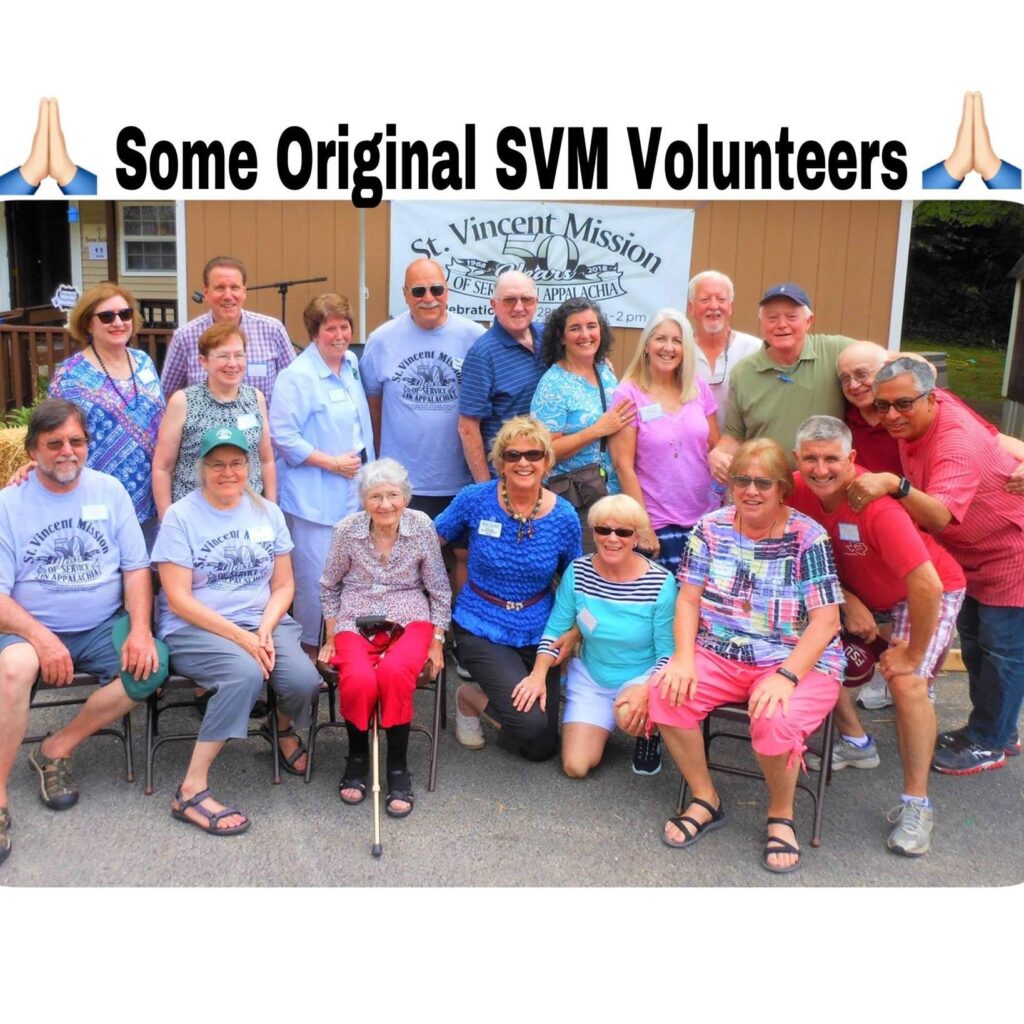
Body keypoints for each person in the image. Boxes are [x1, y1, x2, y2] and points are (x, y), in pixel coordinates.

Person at [652, 438, 844, 874]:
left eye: (763, 482)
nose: (751, 491)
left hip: (797, 659)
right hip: (720, 650)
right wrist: (683, 657)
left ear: (782, 489)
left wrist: (787, 677)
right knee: (666, 693)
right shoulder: (711, 528)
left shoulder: (807, 537)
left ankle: (781, 814)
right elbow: (688, 601)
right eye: (742, 479)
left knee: (774, 717)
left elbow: (827, 622)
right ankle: (705, 797)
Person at [791, 416, 967, 856]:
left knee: (906, 684)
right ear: (798, 460)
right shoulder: (795, 489)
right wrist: (847, 598)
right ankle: (856, 742)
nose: (820, 469)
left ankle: (916, 804)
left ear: (851, 460)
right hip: (860, 591)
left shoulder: (874, 505)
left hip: (924, 591)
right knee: (807, 646)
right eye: (810, 458)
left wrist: (912, 655)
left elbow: (925, 584)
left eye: (831, 458)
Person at [0, 400, 163, 865]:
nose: (66, 452)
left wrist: (139, 630)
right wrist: (42, 638)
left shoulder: (109, 491)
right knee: (14, 669)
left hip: (98, 626)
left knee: (149, 669)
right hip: (28, 629)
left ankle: (55, 749)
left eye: (76, 442)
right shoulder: (9, 504)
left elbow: (135, 569)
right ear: (33, 450)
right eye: (54, 444)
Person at [848, 357, 1024, 774]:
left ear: (930, 399)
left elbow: (940, 516)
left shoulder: (953, 444)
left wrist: (895, 484)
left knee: (1002, 652)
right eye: (882, 405)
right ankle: (995, 728)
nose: (891, 415)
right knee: (978, 643)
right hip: (972, 555)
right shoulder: (937, 401)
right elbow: (996, 435)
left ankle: (990, 741)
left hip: (1010, 551)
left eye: (903, 404)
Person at [151, 426, 321, 834]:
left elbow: (283, 586)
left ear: (249, 467)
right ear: (201, 469)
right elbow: (178, 599)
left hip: (260, 620)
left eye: (237, 463)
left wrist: (263, 629)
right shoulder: (181, 516)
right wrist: (241, 637)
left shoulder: (268, 512)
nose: (228, 472)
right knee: (243, 674)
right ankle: (191, 789)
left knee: (304, 681)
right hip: (197, 625)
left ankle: (278, 725)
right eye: (217, 464)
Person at [436, 416, 582, 761]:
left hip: (537, 629)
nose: (523, 462)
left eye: (533, 455)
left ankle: (487, 696)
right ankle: (469, 699)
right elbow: (429, 539)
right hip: (480, 623)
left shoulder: (564, 516)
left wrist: (573, 634)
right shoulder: (474, 499)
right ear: (500, 462)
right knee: (528, 724)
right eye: (513, 454)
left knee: (541, 746)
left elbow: (577, 583)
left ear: (546, 462)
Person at [319, 459, 451, 816]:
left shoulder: (421, 526)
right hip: (356, 617)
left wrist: (437, 640)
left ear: (405, 497)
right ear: (364, 500)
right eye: (376, 496)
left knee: (394, 675)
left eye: (393, 495)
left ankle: (397, 767)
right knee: (360, 680)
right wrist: (331, 635)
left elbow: (439, 588)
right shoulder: (346, 530)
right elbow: (329, 587)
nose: (386, 504)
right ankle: (358, 759)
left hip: (410, 617)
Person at [518, 494, 675, 779]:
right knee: (575, 767)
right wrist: (538, 674)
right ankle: (608, 720)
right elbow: (555, 630)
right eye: (603, 530)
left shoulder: (661, 582)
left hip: (640, 675)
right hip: (593, 676)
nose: (612, 538)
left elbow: (668, 651)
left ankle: (649, 731)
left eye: (623, 532)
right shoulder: (578, 572)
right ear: (594, 533)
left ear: (636, 537)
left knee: (627, 714)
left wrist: (646, 690)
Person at [269, 293, 374, 657]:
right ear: (315, 333)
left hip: (354, 493)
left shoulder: (351, 364)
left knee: (351, 575)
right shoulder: (296, 376)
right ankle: (311, 655)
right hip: (315, 498)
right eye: (331, 328)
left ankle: (344, 646)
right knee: (317, 581)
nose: (340, 334)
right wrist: (331, 463)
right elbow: (282, 436)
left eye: (344, 326)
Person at [360, 258, 484, 519]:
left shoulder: (474, 337)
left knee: (462, 556)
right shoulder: (381, 340)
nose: (429, 298)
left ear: (447, 291)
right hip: (400, 484)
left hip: (461, 480)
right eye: (418, 291)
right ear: (405, 295)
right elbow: (372, 407)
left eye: (436, 289)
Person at [44, 283, 166, 535]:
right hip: (95, 501)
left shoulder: (143, 362)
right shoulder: (69, 375)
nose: (118, 322)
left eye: (125, 314)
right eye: (107, 316)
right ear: (88, 324)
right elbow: (49, 434)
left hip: (150, 495)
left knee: (146, 571)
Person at [610, 307, 719, 575]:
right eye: (660, 338)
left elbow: (714, 445)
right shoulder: (629, 393)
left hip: (706, 518)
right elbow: (623, 465)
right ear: (646, 345)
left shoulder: (698, 387)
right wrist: (643, 525)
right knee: (663, 607)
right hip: (659, 522)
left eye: (677, 341)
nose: (668, 348)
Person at [709, 283, 855, 480]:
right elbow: (735, 435)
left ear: (809, 321)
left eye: (791, 317)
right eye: (772, 318)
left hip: (824, 482)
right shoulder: (743, 373)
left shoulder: (835, 351)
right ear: (762, 324)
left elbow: (884, 361)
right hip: (767, 487)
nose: (782, 324)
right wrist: (719, 454)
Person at [531, 298, 634, 550]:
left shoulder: (605, 371)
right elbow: (544, 452)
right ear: (561, 336)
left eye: (592, 326)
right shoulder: (553, 384)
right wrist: (597, 430)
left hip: (612, 494)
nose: (585, 334)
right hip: (577, 500)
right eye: (575, 328)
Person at [152, 321, 276, 518]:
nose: (233, 364)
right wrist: (167, 519)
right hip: (195, 516)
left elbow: (266, 459)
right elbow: (162, 467)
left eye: (239, 355)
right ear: (203, 361)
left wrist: (270, 510)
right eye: (223, 356)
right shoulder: (183, 402)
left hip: (247, 513)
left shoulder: (255, 398)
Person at [160, 255, 295, 402]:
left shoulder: (272, 330)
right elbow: (167, 395)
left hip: (263, 424)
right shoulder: (185, 337)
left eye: (234, 288)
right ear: (206, 293)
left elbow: (295, 387)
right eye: (219, 288)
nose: (228, 296)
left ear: (244, 292)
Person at [458, 270, 546, 482]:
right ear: (493, 305)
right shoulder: (482, 353)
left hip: (547, 473)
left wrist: (599, 361)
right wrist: (485, 487)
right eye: (509, 300)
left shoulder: (549, 336)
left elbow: (582, 351)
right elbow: (468, 426)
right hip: (506, 477)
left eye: (526, 299)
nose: (518, 307)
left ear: (536, 302)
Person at [686, 270, 762, 431]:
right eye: (705, 299)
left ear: (731, 307)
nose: (714, 306)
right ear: (691, 308)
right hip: (689, 449)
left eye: (721, 299)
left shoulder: (755, 349)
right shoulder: (679, 351)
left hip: (741, 449)